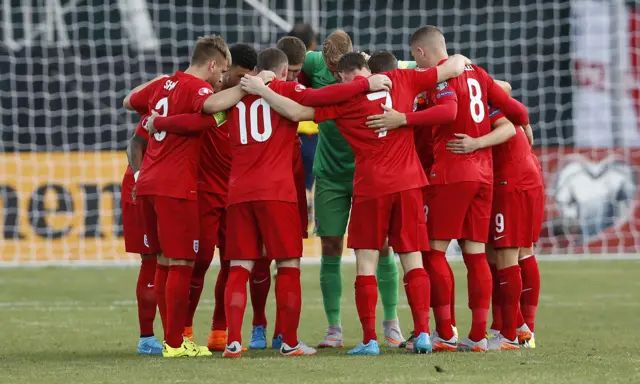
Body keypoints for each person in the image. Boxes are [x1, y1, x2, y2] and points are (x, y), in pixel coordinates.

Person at [241, 51, 471, 355]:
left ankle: (369, 340)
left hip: (371, 185)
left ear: (343, 75)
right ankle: (424, 335)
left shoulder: (343, 101)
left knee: (366, 263)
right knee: (412, 258)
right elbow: (451, 68)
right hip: (408, 183)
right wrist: (459, 59)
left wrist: (262, 90)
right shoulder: (402, 78)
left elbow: (297, 112)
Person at [366, 26, 529, 352]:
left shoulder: (439, 79)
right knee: (475, 254)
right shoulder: (479, 75)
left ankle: (444, 332)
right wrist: (503, 134)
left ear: (422, 52)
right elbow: (518, 112)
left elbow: (449, 110)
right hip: (483, 175)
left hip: (451, 171)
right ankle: (479, 337)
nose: (414, 61)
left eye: (414, 55)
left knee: (432, 251)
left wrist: (404, 120)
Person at [123, 34, 246, 357]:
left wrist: (163, 99)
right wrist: (250, 86)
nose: (221, 79)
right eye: (223, 72)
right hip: (175, 186)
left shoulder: (165, 86)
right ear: (212, 64)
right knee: (180, 264)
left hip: (147, 182)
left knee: (163, 263)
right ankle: (177, 344)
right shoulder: (198, 88)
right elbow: (213, 104)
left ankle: (171, 339)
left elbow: (129, 101)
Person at [302, 29, 411, 348]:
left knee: (383, 247)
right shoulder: (314, 62)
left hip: (369, 175)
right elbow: (285, 57)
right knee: (331, 247)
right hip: (330, 175)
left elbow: (414, 68)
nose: (336, 76)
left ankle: (391, 323)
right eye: (330, 70)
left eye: (341, 71)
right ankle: (334, 329)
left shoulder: (372, 70)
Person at [121, 115, 162, 355]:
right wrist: (140, 178)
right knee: (152, 259)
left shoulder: (212, 102)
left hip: (174, 185)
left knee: (178, 261)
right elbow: (135, 143)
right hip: (145, 186)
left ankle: (180, 335)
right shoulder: (167, 100)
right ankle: (147, 337)